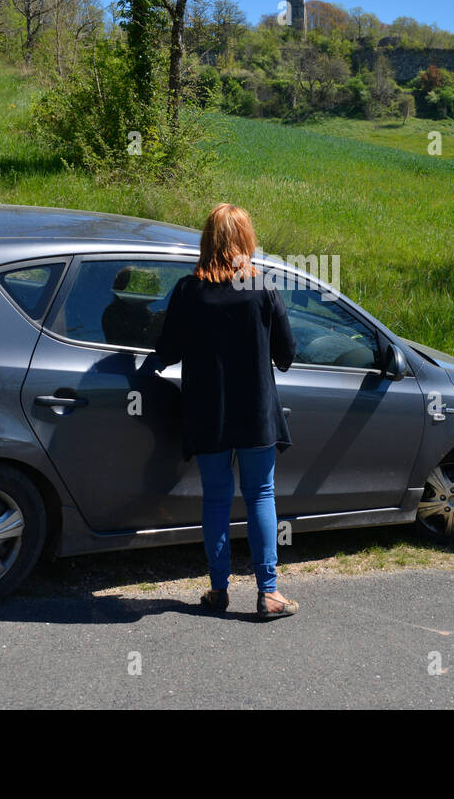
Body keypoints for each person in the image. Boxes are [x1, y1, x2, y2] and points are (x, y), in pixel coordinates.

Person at [141, 203, 299, 619]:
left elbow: (168, 351)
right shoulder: (261, 287)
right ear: (245, 240)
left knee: (216, 498)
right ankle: (269, 593)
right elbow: (287, 352)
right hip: (256, 413)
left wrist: (146, 365)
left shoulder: (189, 291)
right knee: (260, 494)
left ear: (208, 240)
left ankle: (218, 589)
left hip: (207, 413)